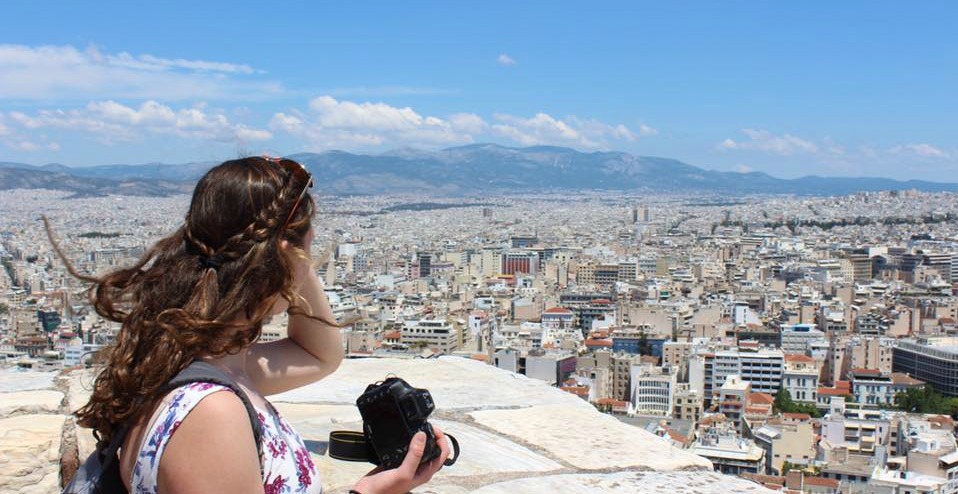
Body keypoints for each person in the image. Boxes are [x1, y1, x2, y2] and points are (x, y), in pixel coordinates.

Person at [47, 156, 450, 493]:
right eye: (309, 247)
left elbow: (319, 355)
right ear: (283, 256)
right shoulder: (212, 412)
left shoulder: (186, 360)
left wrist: (288, 248)